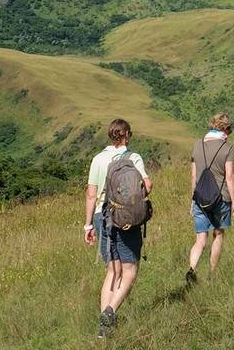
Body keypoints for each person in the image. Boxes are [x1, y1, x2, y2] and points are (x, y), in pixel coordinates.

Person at [83, 118, 153, 339]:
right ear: (127, 135)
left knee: (113, 271)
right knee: (130, 269)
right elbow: (148, 185)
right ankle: (111, 312)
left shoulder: (98, 159)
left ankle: (104, 328)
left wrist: (87, 225)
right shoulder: (133, 158)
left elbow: (91, 194)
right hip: (125, 216)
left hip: (101, 216)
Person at [186, 113, 234, 285]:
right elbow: (230, 176)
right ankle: (212, 274)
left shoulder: (197, 145)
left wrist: (192, 201)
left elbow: (194, 175)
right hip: (221, 197)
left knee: (200, 240)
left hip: (200, 197)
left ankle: (192, 268)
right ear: (225, 128)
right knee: (218, 234)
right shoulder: (227, 148)